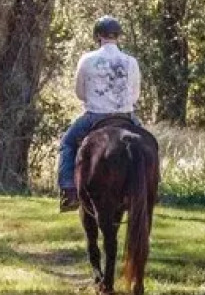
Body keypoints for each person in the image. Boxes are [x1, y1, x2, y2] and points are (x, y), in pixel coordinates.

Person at [57, 15, 142, 211]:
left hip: (95, 116)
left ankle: (69, 191)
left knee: (67, 144)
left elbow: (79, 93)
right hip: (126, 117)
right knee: (150, 145)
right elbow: (135, 94)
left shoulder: (87, 59)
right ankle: (152, 187)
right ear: (118, 36)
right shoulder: (131, 62)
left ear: (98, 36)